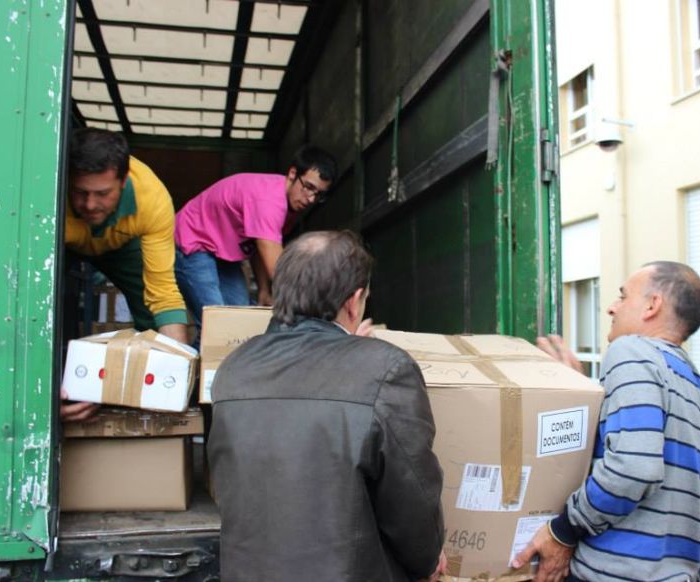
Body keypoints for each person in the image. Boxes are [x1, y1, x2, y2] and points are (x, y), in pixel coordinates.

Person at [207, 230, 446, 582]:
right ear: (354, 301)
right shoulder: (387, 369)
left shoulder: (234, 368)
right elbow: (412, 499)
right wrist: (427, 559)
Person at [512, 261, 700, 582]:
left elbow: (634, 467)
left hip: (615, 572)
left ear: (652, 305)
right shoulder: (690, 377)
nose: (611, 308)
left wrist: (563, 530)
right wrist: (580, 391)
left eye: (623, 296)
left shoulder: (629, 350)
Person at [61, 128, 189, 422]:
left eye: (103, 194)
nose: (90, 205)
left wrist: (179, 375)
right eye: (80, 192)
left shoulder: (152, 199)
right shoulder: (46, 188)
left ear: (123, 180)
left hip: (121, 244)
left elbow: (164, 294)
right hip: (62, 241)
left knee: (150, 312)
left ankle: (152, 392)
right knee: (47, 306)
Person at [173, 146, 337, 336]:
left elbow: (259, 246)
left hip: (221, 251)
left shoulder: (290, 206)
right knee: (216, 321)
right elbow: (279, 270)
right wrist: (312, 308)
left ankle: (214, 351)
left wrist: (263, 290)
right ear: (293, 174)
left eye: (318, 194)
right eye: (308, 187)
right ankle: (197, 356)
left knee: (239, 313)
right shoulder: (268, 202)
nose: (310, 199)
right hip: (194, 240)